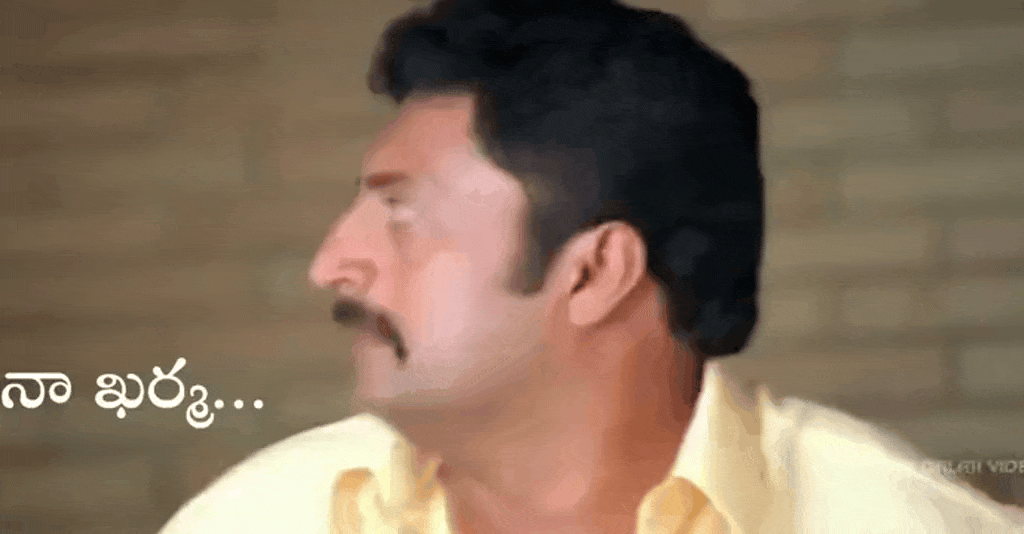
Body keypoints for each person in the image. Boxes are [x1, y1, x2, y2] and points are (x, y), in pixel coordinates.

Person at [159, 0, 1024, 532]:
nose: (331, 266)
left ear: (595, 273)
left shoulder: (901, 522)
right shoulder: (257, 518)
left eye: (404, 213)